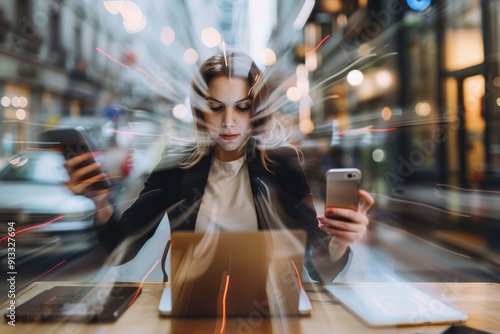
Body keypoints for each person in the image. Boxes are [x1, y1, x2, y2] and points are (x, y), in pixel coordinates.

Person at [64, 50, 374, 283]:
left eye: (242, 108)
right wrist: (100, 201)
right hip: (189, 302)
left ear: (256, 112)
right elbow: (122, 247)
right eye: (216, 108)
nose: (228, 122)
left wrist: (338, 243)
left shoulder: (282, 165)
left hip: (268, 305)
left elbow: (320, 268)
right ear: (201, 112)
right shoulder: (176, 165)